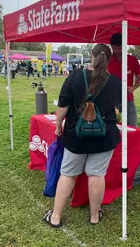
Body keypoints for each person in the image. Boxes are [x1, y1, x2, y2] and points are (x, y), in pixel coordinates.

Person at [43, 44, 121, 227]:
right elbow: (116, 110)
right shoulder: (116, 82)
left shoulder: (75, 76)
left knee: (68, 174)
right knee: (96, 175)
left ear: (91, 56)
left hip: (76, 135)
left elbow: (63, 106)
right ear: (109, 60)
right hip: (104, 136)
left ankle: (55, 217)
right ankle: (95, 216)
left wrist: (57, 127)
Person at [107, 33, 140, 127]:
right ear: (111, 47)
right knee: (110, 126)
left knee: (132, 126)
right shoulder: (108, 60)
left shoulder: (132, 60)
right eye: (114, 48)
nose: (117, 51)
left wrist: (133, 87)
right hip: (111, 99)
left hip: (128, 99)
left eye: (119, 48)